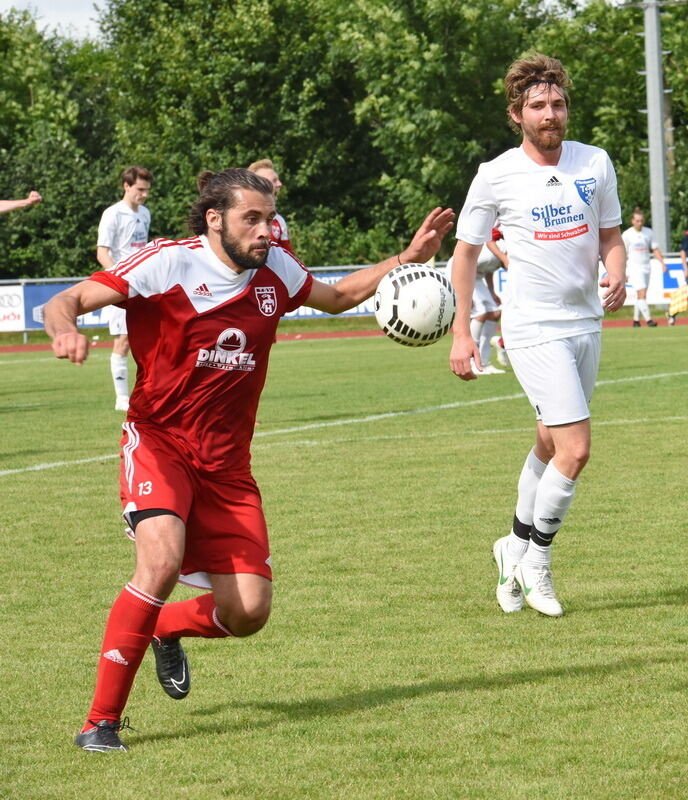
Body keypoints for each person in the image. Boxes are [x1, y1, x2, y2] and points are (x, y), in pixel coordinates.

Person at [44, 167, 454, 752]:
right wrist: (64, 329)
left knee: (250, 612)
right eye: (251, 220)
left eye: (269, 219)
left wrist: (406, 256)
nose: (266, 231)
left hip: (228, 468)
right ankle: (100, 723)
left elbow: (337, 299)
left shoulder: (275, 270)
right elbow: (69, 299)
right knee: (159, 564)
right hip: (160, 444)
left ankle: (163, 626)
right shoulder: (167, 262)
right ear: (216, 220)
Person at [449, 52, 626, 618]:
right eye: (538, 106)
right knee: (576, 449)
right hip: (531, 327)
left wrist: (618, 272)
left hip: (585, 324)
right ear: (516, 114)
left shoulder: (594, 163)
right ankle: (537, 563)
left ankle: (512, 546)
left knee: (550, 445)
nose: (550, 114)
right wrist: (461, 332)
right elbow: (465, 255)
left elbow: (611, 236)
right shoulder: (495, 174)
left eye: (557, 104)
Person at [96, 166, 154, 410]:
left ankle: (150, 392)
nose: (144, 195)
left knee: (152, 339)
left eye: (147, 190)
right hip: (122, 285)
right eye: (140, 189)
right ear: (126, 186)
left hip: (145, 284)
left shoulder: (145, 213)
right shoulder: (113, 214)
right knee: (123, 340)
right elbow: (102, 253)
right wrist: (120, 281)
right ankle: (122, 398)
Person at [445, 227, 507, 375]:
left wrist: (492, 293)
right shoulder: (496, 253)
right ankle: (473, 362)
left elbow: (488, 272)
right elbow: (463, 265)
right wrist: (465, 296)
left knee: (494, 313)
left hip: (476, 277)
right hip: (458, 273)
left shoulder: (501, 257)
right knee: (481, 313)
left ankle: (484, 362)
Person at [621, 207, 666, 327]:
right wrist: (623, 271)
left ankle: (636, 321)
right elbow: (623, 254)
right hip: (634, 266)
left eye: (641, 220)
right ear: (632, 221)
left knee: (642, 294)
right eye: (637, 220)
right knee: (642, 293)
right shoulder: (627, 234)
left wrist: (662, 263)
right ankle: (649, 320)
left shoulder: (649, 232)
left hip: (646, 266)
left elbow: (655, 249)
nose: (639, 223)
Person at [248, 158, 295, 255]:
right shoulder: (237, 217)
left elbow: (289, 255)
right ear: (259, 184)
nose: (280, 184)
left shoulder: (279, 220)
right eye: (274, 180)